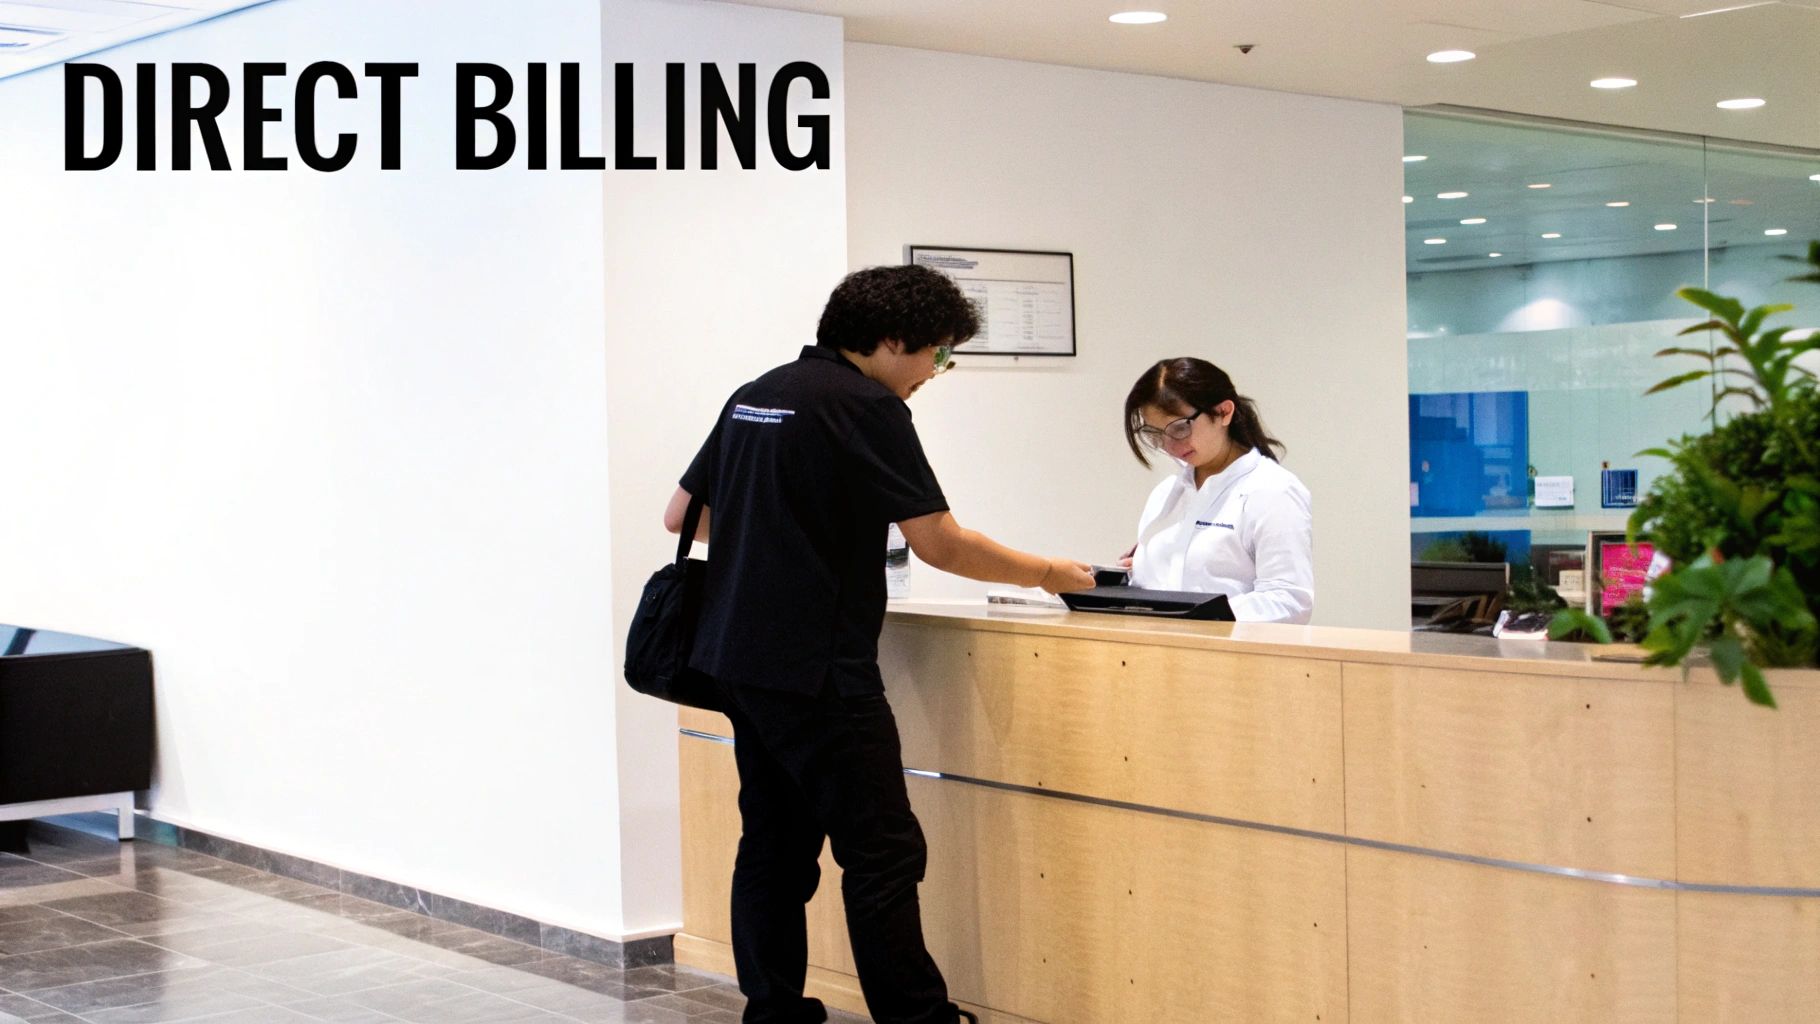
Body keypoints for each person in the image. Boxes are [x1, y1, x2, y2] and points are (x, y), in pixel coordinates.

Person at [665, 264, 1095, 1024]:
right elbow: (942, 544)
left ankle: (773, 1010)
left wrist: (778, 542)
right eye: (937, 353)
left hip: (737, 659)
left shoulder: (758, 392)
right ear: (895, 341)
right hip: (821, 670)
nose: (935, 372)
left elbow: (682, 517)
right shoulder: (867, 406)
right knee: (883, 850)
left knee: (773, 842)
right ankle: (917, 1018)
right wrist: (1050, 572)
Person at [1120, 357, 1314, 624]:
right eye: (1155, 434)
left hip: (1229, 657)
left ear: (1224, 412)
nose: (1169, 445)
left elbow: (1289, 601)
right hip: (1157, 654)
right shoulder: (1166, 493)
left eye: (1179, 428)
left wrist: (1199, 618)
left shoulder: (1272, 491)